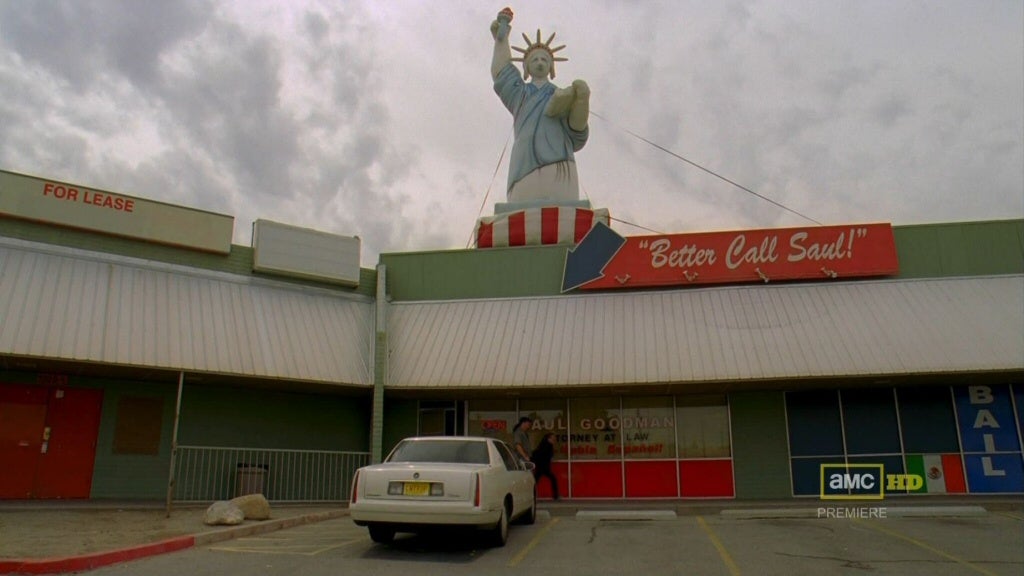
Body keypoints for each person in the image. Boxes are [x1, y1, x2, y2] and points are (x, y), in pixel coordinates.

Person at [490, 7, 590, 204]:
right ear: (525, 67)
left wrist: (582, 100)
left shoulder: (563, 96)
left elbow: (577, 132)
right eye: (534, 59)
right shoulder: (520, 95)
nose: (540, 62)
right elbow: (501, 72)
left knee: (562, 219)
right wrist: (501, 40)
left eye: (545, 59)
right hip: (524, 168)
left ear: (552, 67)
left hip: (560, 166)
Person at [531, 432, 560, 500]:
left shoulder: (545, 445)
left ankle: (555, 496)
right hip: (542, 466)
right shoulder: (547, 445)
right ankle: (555, 496)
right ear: (548, 438)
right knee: (552, 479)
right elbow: (544, 456)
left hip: (542, 466)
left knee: (535, 481)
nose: (554, 439)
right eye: (552, 438)